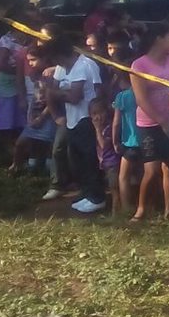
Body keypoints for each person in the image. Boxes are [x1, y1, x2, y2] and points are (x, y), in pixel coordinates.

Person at [41, 34, 105, 214]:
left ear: (58, 55)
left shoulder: (85, 66)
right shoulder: (62, 68)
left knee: (89, 159)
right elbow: (52, 90)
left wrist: (57, 92)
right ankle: (87, 193)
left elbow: (75, 97)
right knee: (76, 159)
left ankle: (97, 197)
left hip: (87, 118)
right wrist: (59, 97)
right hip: (71, 119)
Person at [130, 23, 169, 221]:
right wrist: (162, 122)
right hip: (149, 124)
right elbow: (141, 99)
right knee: (151, 170)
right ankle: (141, 208)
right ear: (158, 39)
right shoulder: (139, 65)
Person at [10, 48, 56, 176]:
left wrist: (41, 117)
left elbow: (52, 101)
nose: (30, 63)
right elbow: (34, 99)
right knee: (20, 143)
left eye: (33, 60)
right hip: (35, 113)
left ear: (44, 59)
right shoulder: (35, 75)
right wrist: (30, 116)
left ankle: (52, 174)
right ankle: (15, 166)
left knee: (50, 146)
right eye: (28, 60)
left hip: (49, 114)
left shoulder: (52, 75)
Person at [110, 62, 141, 217]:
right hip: (146, 139)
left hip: (129, 142)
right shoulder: (142, 93)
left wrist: (115, 141)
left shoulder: (122, 96)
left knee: (123, 176)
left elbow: (116, 123)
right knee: (145, 174)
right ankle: (148, 204)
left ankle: (126, 206)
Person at [89, 97, 121, 209]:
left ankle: (115, 215)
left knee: (115, 190)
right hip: (106, 165)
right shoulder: (102, 128)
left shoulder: (109, 128)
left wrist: (97, 130)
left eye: (100, 112)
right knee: (112, 188)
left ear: (106, 112)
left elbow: (104, 145)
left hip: (113, 164)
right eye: (94, 113)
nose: (98, 116)